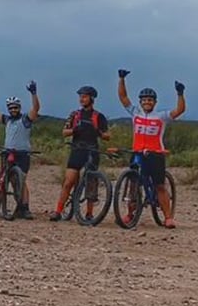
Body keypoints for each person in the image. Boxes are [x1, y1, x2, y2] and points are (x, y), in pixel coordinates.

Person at [118, 70, 187, 228]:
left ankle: (168, 217)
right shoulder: (135, 113)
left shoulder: (161, 116)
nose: (147, 102)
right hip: (137, 153)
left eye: (150, 100)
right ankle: (130, 214)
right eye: (144, 100)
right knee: (133, 183)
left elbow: (179, 111)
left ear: (154, 102)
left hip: (155, 154)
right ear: (141, 102)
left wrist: (180, 94)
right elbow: (123, 98)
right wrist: (121, 79)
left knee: (159, 186)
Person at [0, 81, 40, 219]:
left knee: (22, 181)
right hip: (8, 153)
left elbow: (36, 108)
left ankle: (24, 208)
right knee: (6, 179)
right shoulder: (7, 120)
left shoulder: (26, 119)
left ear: (19, 108)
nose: (13, 110)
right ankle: (3, 205)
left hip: (22, 154)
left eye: (15, 107)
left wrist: (33, 94)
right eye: (11, 108)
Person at [54, 85, 112, 220]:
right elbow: (64, 132)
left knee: (91, 182)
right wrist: (74, 130)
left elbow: (108, 135)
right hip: (77, 150)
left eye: (84, 97)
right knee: (68, 182)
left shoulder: (99, 116)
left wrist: (99, 133)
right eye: (80, 97)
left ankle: (89, 213)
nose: (82, 99)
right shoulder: (75, 115)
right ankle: (58, 210)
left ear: (91, 98)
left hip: (92, 150)